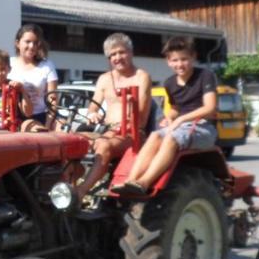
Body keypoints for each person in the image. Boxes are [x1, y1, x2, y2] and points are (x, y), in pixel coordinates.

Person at [113, 36, 218, 196]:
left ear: (193, 57)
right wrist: (169, 117)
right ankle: (131, 180)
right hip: (180, 127)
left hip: (203, 127)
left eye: (184, 59)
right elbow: (176, 108)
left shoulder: (205, 76)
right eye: (175, 60)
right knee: (155, 135)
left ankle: (144, 182)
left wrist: (181, 119)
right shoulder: (169, 83)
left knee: (171, 138)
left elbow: (210, 108)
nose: (179, 64)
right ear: (168, 61)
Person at [75, 33, 151, 195]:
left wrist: (132, 104)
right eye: (113, 54)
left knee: (104, 145)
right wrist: (92, 114)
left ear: (130, 53)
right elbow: (92, 107)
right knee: (69, 141)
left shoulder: (141, 77)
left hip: (133, 133)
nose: (118, 57)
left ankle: (81, 192)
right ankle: (65, 185)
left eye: (121, 52)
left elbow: (142, 116)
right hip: (108, 131)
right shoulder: (104, 79)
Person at [8, 23, 59, 130]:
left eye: (35, 43)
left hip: (42, 116)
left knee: (64, 128)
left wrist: (48, 126)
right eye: (28, 42)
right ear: (17, 43)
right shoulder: (8, 64)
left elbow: (53, 100)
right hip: (14, 116)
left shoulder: (47, 66)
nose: (32, 46)